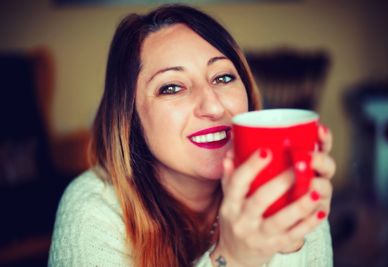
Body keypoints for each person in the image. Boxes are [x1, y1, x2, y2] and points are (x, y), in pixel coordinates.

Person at [48, 4, 335, 267]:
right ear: (130, 118)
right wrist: (232, 258)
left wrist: (289, 241)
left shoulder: (290, 185)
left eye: (222, 77)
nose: (212, 106)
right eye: (172, 87)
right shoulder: (93, 208)